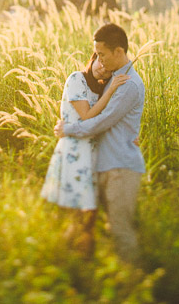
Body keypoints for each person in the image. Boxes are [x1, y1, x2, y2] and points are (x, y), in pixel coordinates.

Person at [54, 23, 145, 264]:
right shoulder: (110, 80)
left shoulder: (128, 84)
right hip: (102, 165)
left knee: (120, 230)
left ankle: (133, 288)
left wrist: (68, 129)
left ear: (118, 51)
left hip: (120, 168)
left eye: (102, 54)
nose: (99, 60)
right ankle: (79, 272)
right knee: (89, 226)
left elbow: (102, 121)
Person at [40, 52, 130, 256]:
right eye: (100, 61)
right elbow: (87, 115)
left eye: (108, 69)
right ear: (93, 58)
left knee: (89, 212)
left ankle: (79, 258)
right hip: (74, 153)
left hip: (93, 153)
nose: (102, 68)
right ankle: (62, 254)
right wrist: (112, 89)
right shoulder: (76, 79)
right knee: (77, 209)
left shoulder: (101, 87)